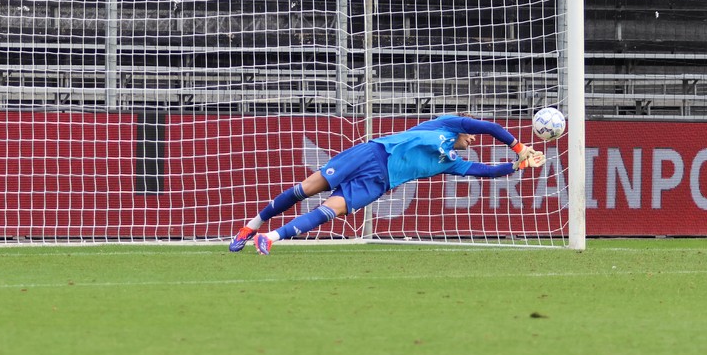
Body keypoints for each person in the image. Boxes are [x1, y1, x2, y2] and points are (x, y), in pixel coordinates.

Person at [228, 113, 545, 255]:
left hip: (379, 182)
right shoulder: (447, 124)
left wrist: (517, 164)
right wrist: (519, 147)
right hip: (371, 153)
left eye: (472, 136)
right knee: (305, 189)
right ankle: (251, 226)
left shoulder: (452, 162)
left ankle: (269, 238)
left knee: (329, 211)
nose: (472, 137)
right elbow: (489, 126)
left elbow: (484, 171)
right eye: (469, 134)